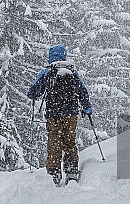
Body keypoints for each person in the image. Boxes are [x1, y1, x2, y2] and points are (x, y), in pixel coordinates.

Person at [28, 45, 92, 186]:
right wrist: (87, 108)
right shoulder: (72, 73)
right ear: (64, 56)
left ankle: (54, 174)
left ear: (51, 56)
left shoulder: (47, 72)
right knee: (69, 142)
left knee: (54, 142)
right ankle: (71, 172)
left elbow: (32, 92)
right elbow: (83, 92)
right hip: (71, 114)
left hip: (53, 115)